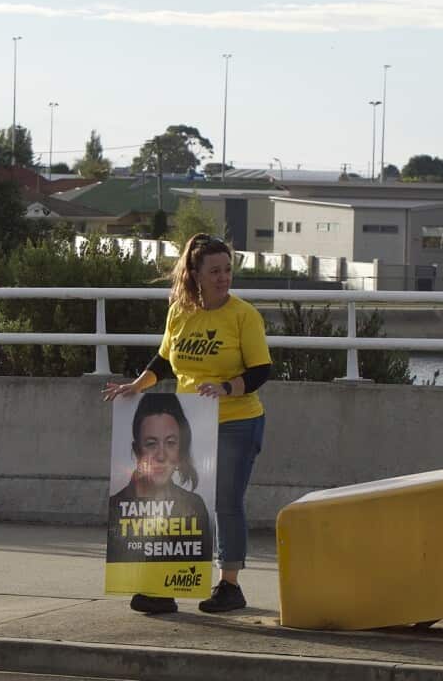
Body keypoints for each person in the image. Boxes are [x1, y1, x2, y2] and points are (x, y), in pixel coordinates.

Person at [104, 233, 272, 614]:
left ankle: (229, 585)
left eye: (227, 270)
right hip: (191, 422)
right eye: (214, 271)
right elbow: (165, 360)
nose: (223, 278)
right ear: (196, 274)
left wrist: (226, 388)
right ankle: (166, 585)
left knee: (225, 501)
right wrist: (136, 386)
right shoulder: (180, 312)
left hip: (236, 421)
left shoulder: (244, 315)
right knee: (174, 501)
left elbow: (261, 370)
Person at [106, 394, 212, 578]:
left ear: (180, 450)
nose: (161, 456)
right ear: (137, 451)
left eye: (171, 443)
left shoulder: (194, 506)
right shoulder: (117, 507)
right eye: (151, 444)